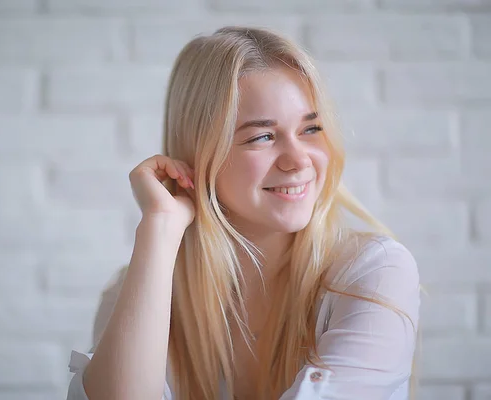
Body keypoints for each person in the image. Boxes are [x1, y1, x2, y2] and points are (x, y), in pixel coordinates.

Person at [66, 26, 421, 400]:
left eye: (311, 128)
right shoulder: (137, 289)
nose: (299, 160)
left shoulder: (375, 273)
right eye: (262, 137)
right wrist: (160, 227)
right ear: (199, 156)